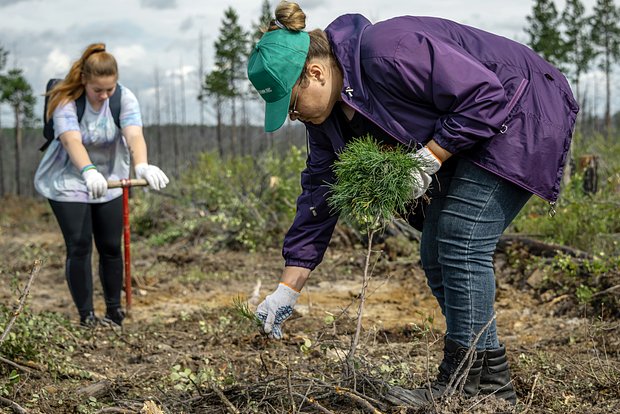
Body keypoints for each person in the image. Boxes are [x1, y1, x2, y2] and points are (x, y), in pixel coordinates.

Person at [247, 1, 579, 408]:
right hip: (479, 125)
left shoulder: (389, 50)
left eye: (292, 105)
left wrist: (431, 157)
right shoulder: (328, 120)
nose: (294, 118)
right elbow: (318, 195)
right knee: (436, 250)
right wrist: (288, 288)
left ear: (314, 73)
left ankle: (462, 382)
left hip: (522, 106)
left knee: (460, 239)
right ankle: (491, 379)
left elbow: (485, 95)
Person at [34, 43, 169, 328]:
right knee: (80, 245)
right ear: (84, 81)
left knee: (110, 245)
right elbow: (71, 140)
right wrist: (88, 170)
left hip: (110, 178)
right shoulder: (66, 100)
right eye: (98, 90)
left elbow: (133, 134)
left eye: (110, 89)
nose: (105, 95)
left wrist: (142, 164)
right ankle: (86, 316)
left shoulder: (124, 98)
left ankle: (113, 310)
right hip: (67, 180)